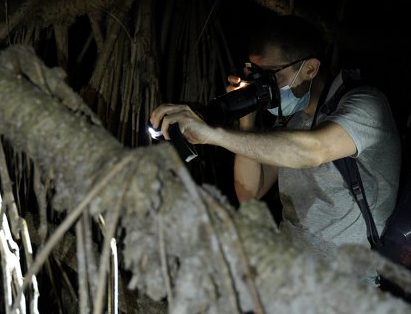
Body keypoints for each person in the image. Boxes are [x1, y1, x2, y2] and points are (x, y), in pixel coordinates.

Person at [150, 15, 401, 278]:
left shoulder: (366, 105)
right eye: (257, 75)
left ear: (310, 69)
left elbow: (313, 150)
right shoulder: (294, 120)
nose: (266, 86)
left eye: (272, 76)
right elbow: (250, 192)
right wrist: (246, 113)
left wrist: (213, 134)